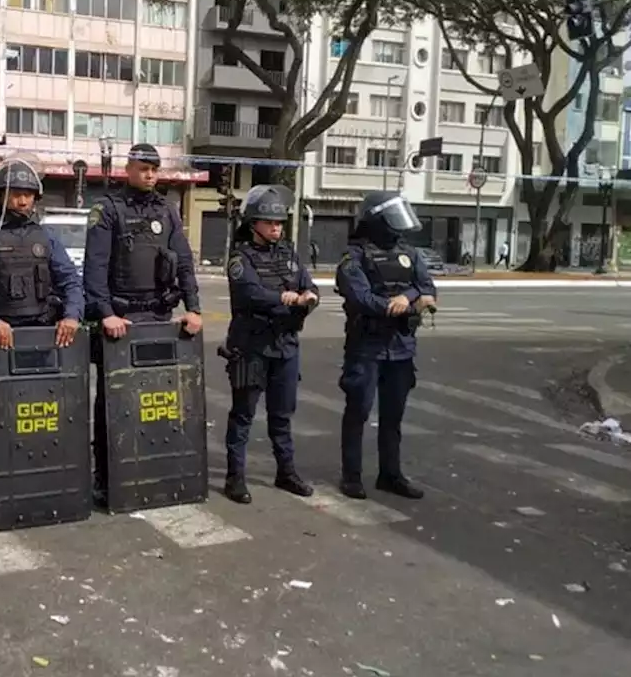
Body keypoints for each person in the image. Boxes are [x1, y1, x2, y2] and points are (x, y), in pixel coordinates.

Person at [0, 153, 85, 516]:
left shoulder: (46, 237)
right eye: (15, 194)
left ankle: (39, 481)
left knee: (42, 414)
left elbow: (71, 281)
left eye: (28, 194)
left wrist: (71, 315)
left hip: (41, 342)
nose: (23, 200)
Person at [83, 143, 202, 504]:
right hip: (122, 320)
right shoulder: (107, 209)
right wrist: (105, 313)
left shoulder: (167, 210)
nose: (149, 174)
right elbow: (95, 268)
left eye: (154, 169)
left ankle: (150, 470)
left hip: (159, 317)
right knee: (114, 402)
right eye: (143, 168)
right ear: (128, 168)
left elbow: (183, 262)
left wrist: (193, 307)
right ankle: (106, 478)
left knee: (158, 400)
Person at [220, 185, 319, 504]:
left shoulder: (289, 254)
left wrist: (311, 297)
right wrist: (283, 297)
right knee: (243, 415)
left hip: (285, 345)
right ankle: (235, 478)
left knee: (282, 414)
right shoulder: (240, 257)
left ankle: (286, 472)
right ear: (253, 224)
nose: (276, 228)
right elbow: (249, 293)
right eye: (269, 222)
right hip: (252, 347)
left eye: (279, 223)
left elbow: (308, 284)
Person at [335, 191, 436, 501]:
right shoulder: (354, 258)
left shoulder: (410, 254)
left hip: (402, 347)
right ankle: (351, 476)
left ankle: (390, 475)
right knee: (358, 413)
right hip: (367, 347)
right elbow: (361, 299)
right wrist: (406, 305)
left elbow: (427, 287)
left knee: (393, 417)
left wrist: (407, 297)